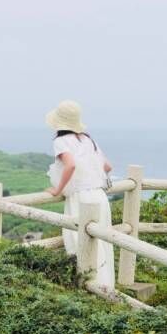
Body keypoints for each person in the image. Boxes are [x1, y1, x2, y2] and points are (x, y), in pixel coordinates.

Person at [44, 100, 115, 289]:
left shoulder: (60, 141)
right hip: (99, 196)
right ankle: (105, 289)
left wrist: (57, 190)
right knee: (100, 243)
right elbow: (108, 167)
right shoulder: (88, 139)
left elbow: (71, 165)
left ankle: (90, 288)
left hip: (81, 198)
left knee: (79, 243)